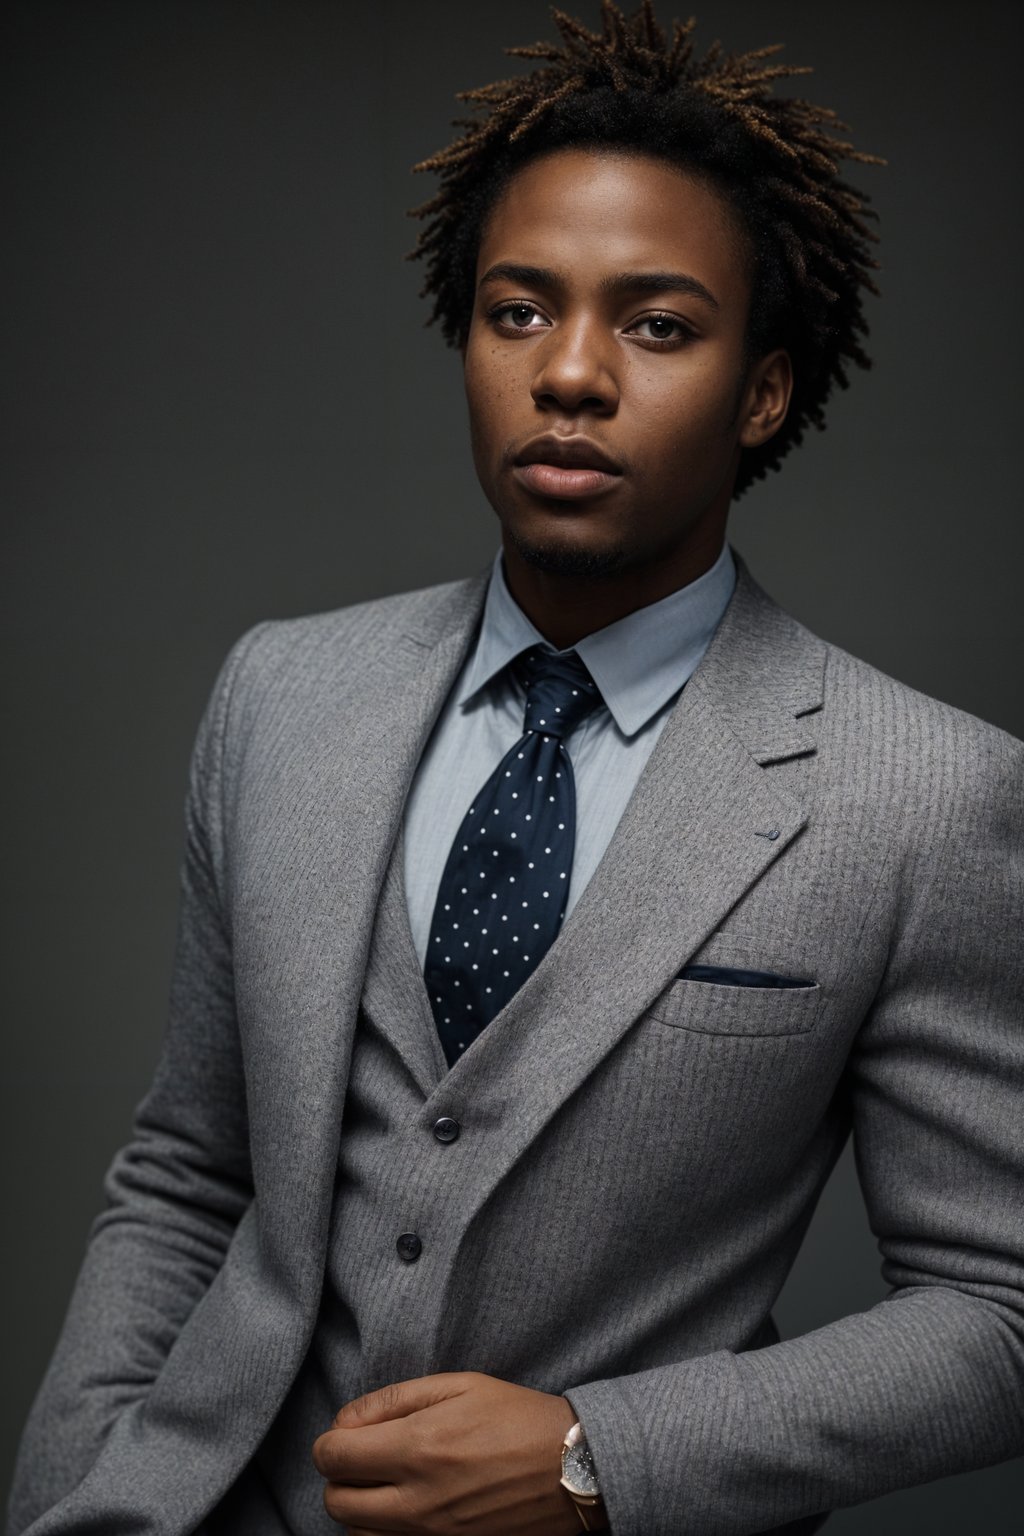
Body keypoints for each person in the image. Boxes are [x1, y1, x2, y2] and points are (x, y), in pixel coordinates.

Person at [9, 3, 1023, 1533]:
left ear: (764, 389)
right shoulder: (282, 694)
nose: (572, 374)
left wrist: (598, 1456)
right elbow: (184, 1173)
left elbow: (999, 1312)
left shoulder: (925, 794)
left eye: (659, 324)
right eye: (519, 310)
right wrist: (77, 1491)